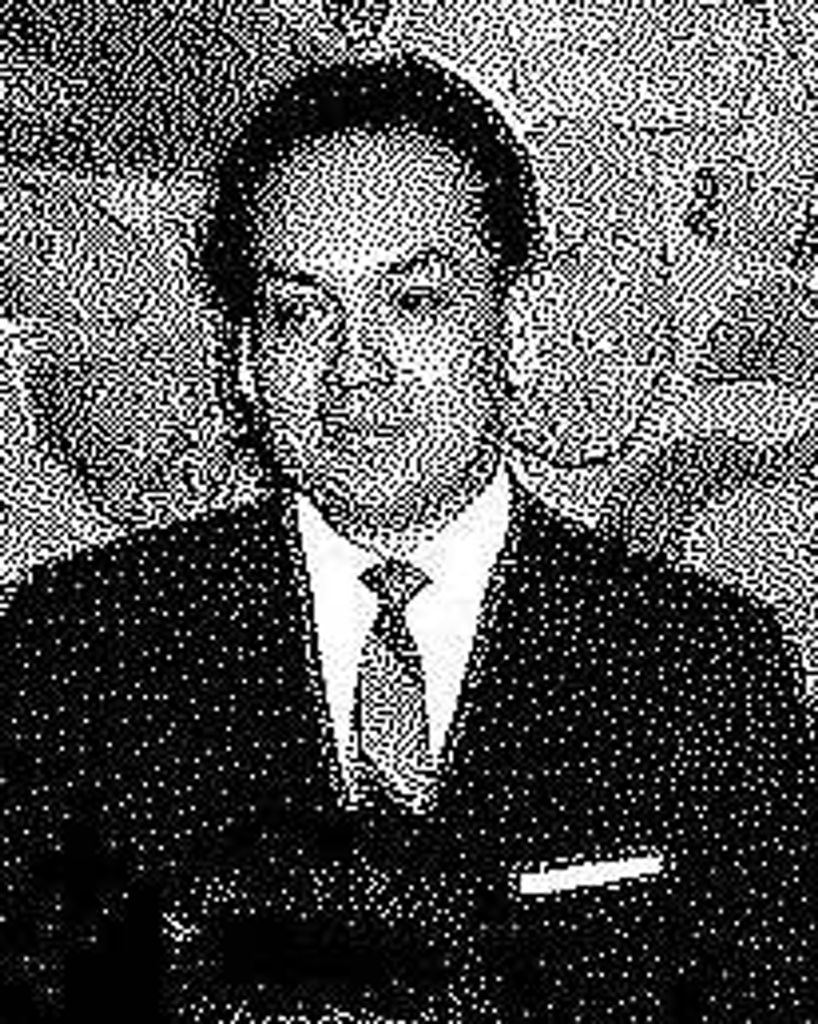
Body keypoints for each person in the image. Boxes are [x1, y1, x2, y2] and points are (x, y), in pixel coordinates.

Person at [1, 51, 813, 1023]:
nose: (355, 367)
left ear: (514, 328)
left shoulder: (702, 667)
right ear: (248, 358)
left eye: (413, 301)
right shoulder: (82, 643)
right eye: (299, 312)